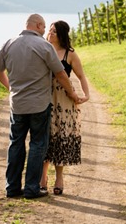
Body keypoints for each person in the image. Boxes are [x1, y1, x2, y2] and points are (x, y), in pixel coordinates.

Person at [0, 14, 82, 199]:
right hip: (39, 105)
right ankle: (32, 189)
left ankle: (12, 188)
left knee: (16, 144)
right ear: (39, 26)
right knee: (37, 144)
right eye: (44, 28)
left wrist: (11, 88)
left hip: (17, 104)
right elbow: (60, 74)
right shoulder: (44, 46)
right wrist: (73, 94)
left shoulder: (8, 44)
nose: (46, 31)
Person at [40, 20, 90, 196]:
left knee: (61, 137)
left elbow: (81, 76)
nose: (50, 34)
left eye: (54, 31)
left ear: (61, 34)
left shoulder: (70, 54)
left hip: (64, 99)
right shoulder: (44, 49)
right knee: (45, 136)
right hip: (45, 97)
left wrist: (86, 94)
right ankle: (43, 177)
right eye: (49, 31)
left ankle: (59, 178)